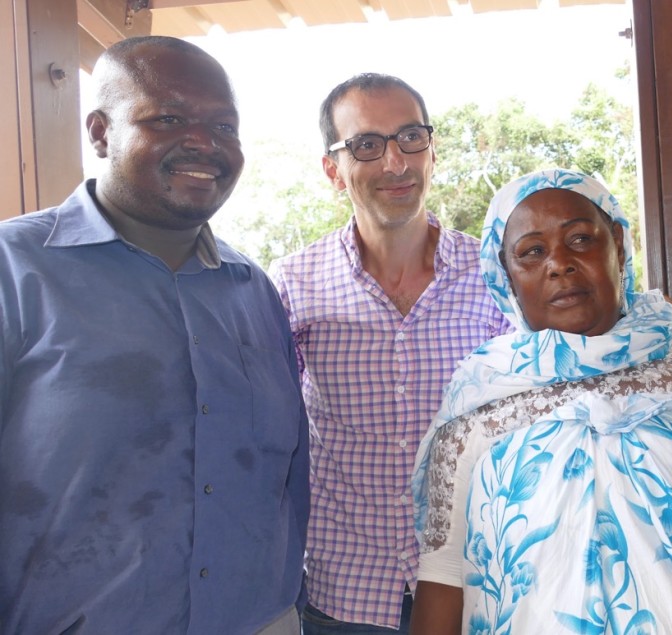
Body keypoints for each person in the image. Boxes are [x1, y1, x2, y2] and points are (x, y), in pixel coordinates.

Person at [0, 36, 309, 634]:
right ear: (100, 133)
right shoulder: (15, 270)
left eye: (224, 126)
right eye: (168, 118)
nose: (204, 142)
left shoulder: (253, 290)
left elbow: (287, 478)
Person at [410, 168, 672, 635]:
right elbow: (443, 577)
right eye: (532, 251)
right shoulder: (477, 403)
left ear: (617, 245)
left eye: (580, 239)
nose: (559, 264)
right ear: (505, 275)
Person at [269, 73, 509, 634]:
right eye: (366, 145)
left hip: (479, 587)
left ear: (432, 151)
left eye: (410, 138)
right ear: (333, 170)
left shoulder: (495, 275)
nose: (395, 162)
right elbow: (265, 435)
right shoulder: (294, 283)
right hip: (344, 596)